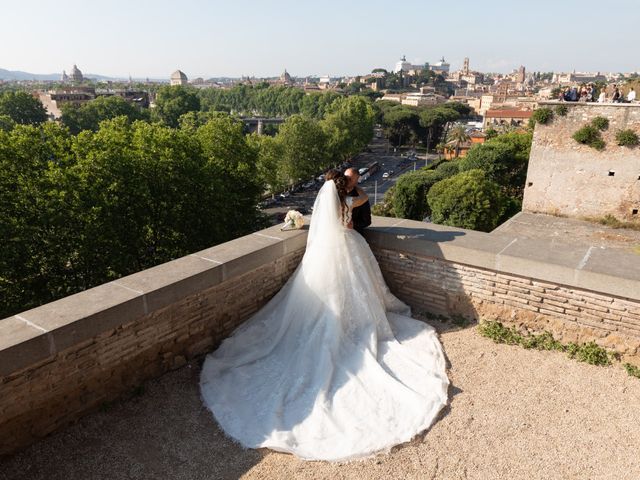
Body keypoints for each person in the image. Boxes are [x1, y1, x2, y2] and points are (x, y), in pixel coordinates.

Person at [200, 172, 449, 462]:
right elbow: (357, 212)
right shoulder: (349, 202)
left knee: (328, 293)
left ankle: (337, 323)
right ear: (346, 186)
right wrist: (355, 194)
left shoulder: (333, 202)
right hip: (349, 245)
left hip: (324, 253)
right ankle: (348, 324)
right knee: (354, 289)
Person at [344, 167, 372, 234]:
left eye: (350, 179)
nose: (347, 180)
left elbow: (367, 221)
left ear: (357, 180)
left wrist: (354, 224)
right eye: (345, 177)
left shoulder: (361, 197)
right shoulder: (336, 193)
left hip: (354, 235)